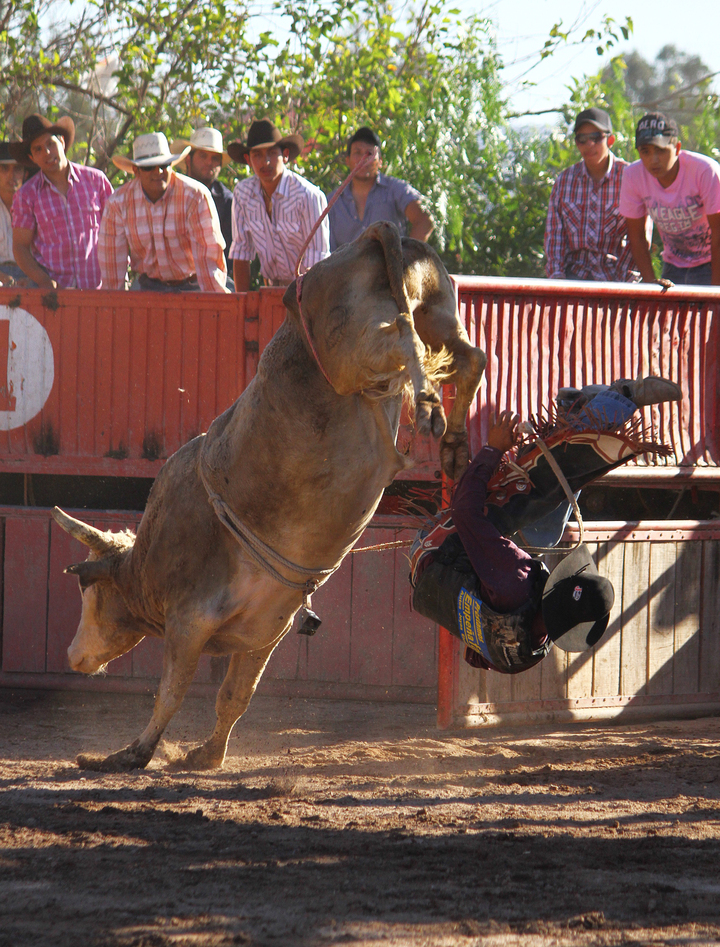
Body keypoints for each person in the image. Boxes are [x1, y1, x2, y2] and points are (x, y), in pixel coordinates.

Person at [410, 375, 681, 673]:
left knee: (530, 489)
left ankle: (615, 400)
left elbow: (464, 512)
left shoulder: (516, 579)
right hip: (442, 583)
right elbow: (476, 654)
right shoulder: (529, 652)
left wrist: (493, 449)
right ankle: (579, 411)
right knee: (546, 531)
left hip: (436, 549)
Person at [98, 132, 229, 293]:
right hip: (148, 286)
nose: (158, 172)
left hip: (193, 285)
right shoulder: (118, 203)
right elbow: (112, 265)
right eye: (148, 167)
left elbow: (209, 259)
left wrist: (214, 305)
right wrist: (114, 307)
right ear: (136, 171)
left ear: (171, 166)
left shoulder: (195, 196)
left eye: (163, 165)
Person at [10, 113, 113, 289]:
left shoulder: (96, 181)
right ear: (31, 158)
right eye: (38, 149)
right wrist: (43, 281)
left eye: (50, 143)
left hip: (99, 289)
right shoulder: (26, 196)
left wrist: (118, 278)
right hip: (54, 296)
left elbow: (117, 232)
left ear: (62, 143)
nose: (47, 153)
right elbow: (20, 247)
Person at [227, 119, 329, 292]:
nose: (265, 162)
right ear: (248, 159)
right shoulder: (242, 193)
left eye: (272, 153)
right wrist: (242, 304)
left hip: (307, 292)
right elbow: (241, 254)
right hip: (270, 290)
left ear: (286, 155)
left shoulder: (308, 196)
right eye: (257, 155)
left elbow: (318, 262)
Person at [619, 112, 720, 286]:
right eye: (646, 152)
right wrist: (651, 285)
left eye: (661, 150)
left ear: (678, 148)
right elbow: (636, 237)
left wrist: (715, 294)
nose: (654, 160)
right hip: (673, 265)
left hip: (712, 261)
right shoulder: (632, 175)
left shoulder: (705, 171)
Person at [544, 107, 639, 282]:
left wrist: (626, 287)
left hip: (618, 278)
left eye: (596, 138)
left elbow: (639, 240)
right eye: (582, 139)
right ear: (576, 143)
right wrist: (558, 282)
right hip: (573, 277)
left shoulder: (631, 177)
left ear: (610, 140)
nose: (589, 145)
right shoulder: (564, 181)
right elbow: (554, 239)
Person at [327, 126, 434, 251]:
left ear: (380, 162)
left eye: (369, 153)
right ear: (347, 160)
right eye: (357, 153)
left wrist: (405, 261)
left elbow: (424, 221)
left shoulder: (396, 190)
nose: (363, 159)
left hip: (391, 269)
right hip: (345, 270)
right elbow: (325, 252)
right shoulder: (332, 202)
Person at [171, 128, 234, 268]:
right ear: (188, 159)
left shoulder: (227, 201)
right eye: (203, 156)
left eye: (215, 158)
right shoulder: (170, 193)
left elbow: (229, 254)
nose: (209, 162)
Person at [0, 142, 25, 286]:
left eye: (17, 169)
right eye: (4, 168)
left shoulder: (38, 207)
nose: (11, 175)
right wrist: (3, 278)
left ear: (25, 173)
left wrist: (31, 280)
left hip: (30, 277)